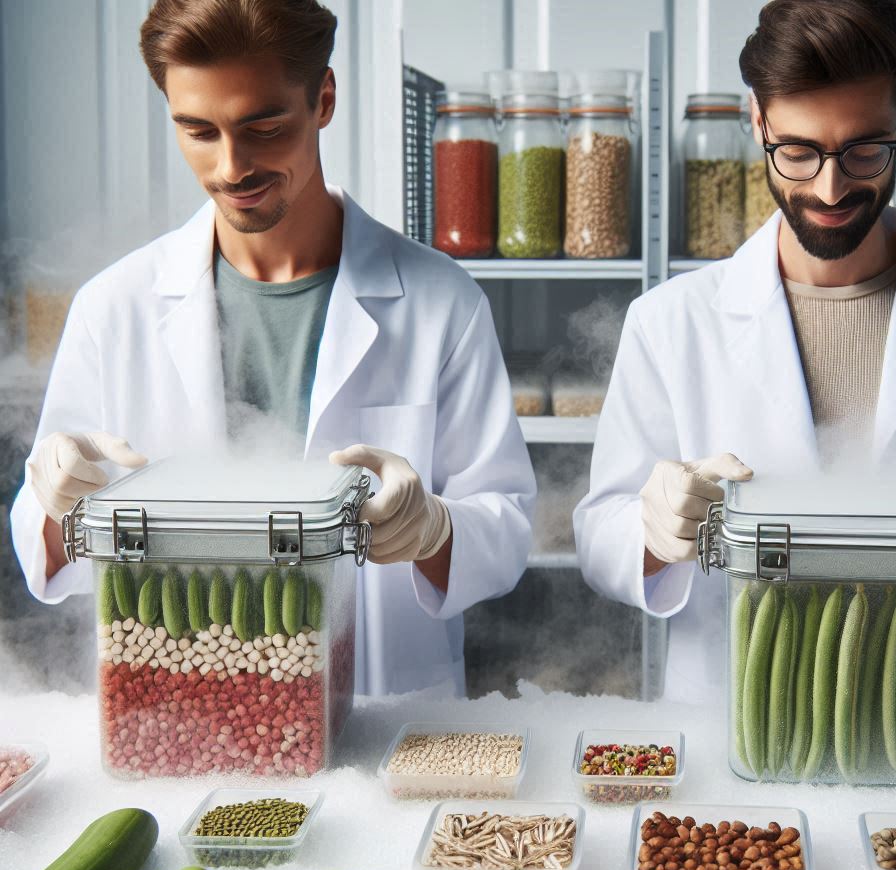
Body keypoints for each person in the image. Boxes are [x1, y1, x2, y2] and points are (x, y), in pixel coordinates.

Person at [10, 0, 536, 696]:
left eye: (264, 127)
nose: (232, 166)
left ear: (323, 100)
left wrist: (435, 529)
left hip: (384, 711)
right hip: (182, 713)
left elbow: (504, 527)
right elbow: (50, 556)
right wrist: (53, 499)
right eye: (198, 131)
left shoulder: (441, 301)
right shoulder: (115, 308)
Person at [575, 0, 896, 702]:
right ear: (757, 121)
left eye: (864, 150)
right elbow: (601, 542)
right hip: (733, 737)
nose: (830, 187)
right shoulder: (671, 323)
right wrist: (652, 528)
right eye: (798, 150)